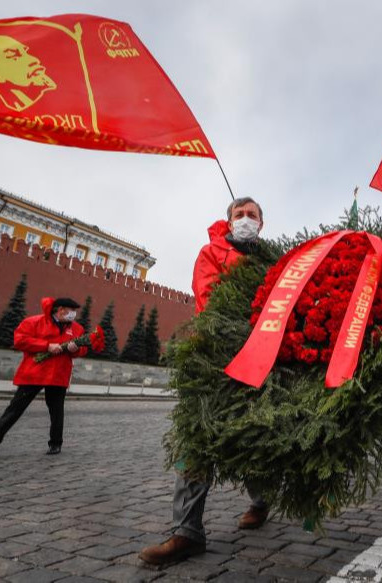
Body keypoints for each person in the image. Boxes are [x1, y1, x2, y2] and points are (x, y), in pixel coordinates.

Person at [140, 198, 270, 566]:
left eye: (252, 216)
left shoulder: (273, 260)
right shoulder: (211, 252)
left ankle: (261, 500)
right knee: (197, 437)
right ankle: (187, 532)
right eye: (239, 215)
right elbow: (211, 298)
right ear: (228, 221)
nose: (245, 220)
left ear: (263, 223)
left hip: (262, 359)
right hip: (214, 356)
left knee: (254, 436)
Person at [0, 297, 86, 458]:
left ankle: (55, 443)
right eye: (71, 311)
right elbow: (20, 340)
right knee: (14, 410)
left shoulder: (77, 329)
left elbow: (83, 350)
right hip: (34, 373)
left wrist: (75, 349)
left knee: (57, 411)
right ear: (60, 310)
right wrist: (46, 346)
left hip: (58, 374)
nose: (74, 314)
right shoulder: (34, 322)